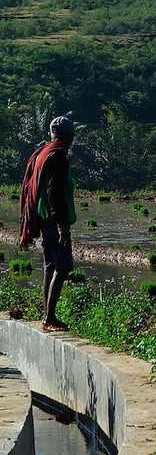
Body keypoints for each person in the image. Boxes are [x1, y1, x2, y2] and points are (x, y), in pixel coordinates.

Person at [20, 116, 78, 332]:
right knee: (61, 268)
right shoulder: (58, 158)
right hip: (54, 221)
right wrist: (63, 225)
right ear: (68, 137)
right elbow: (56, 194)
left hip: (44, 218)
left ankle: (47, 315)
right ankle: (49, 317)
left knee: (50, 266)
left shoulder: (42, 154)